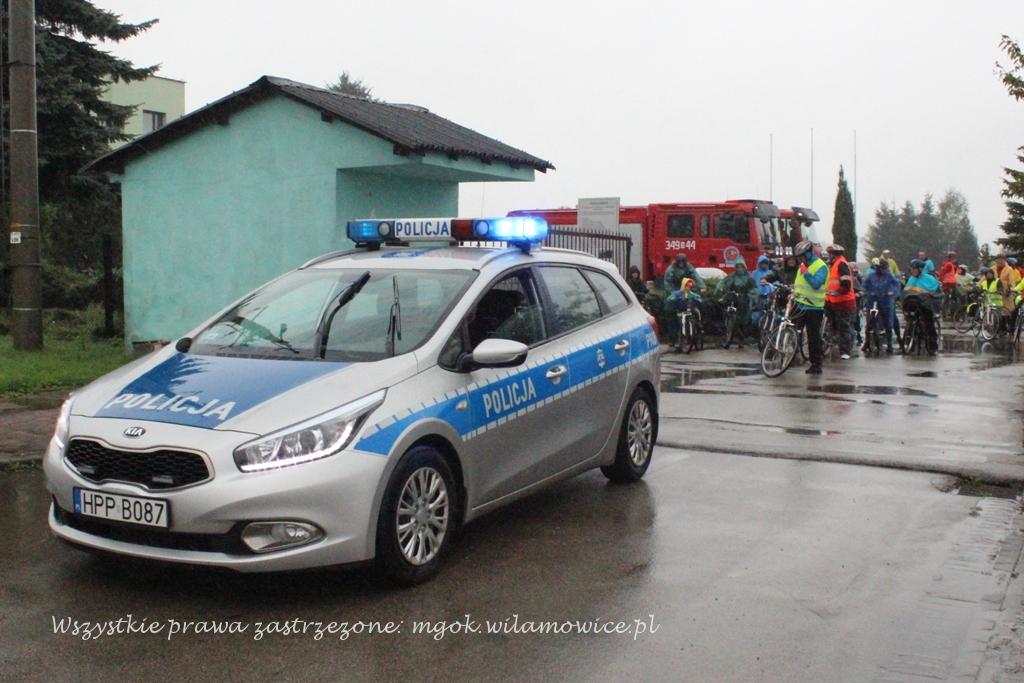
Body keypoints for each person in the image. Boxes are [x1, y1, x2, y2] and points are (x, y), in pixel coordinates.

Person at [792, 239, 828, 374]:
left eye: (801, 256)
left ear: (808, 253)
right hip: (799, 304)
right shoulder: (803, 265)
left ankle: (816, 364)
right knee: (791, 329)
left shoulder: (821, 266)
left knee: (813, 337)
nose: (799, 259)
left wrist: (806, 273)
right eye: (798, 257)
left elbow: (816, 284)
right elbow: (799, 284)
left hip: (814, 307)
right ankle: (790, 355)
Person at [663, 253, 704, 344]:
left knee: (697, 304)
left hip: (686, 289)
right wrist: (673, 293)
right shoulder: (671, 269)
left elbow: (696, 276)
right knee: (670, 312)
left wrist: (701, 286)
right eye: (679, 262)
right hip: (675, 291)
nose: (681, 264)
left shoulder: (689, 267)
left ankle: (697, 327)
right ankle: (672, 337)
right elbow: (667, 283)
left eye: (683, 262)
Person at [862, 258, 901, 353]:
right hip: (873, 302)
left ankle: (890, 344)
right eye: (879, 268)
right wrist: (866, 292)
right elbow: (864, 286)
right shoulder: (871, 276)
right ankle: (867, 342)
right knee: (870, 321)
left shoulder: (889, 276)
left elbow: (896, 285)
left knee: (889, 323)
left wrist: (892, 292)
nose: (881, 270)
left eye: (883, 268)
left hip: (886, 302)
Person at [825, 244, 856, 359]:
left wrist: (839, 291)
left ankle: (845, 351)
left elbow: (846, 283)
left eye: (830, 254)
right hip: (833, 300)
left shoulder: (841, 264)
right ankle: (833, 345)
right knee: (834, 325)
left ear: (834, 255)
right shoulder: (833, 265)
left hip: (844, 301)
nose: (828, 257)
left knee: (844, 327)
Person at [903, 258, 942, 351]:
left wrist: (925, 293)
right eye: (911, 269)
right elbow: (906, 290)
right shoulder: (911, 279)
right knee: (910, 318)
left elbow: (934, 292)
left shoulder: (929, 279)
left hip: (926, 305)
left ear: (920, 269)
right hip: (914, 304)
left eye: (914, 269)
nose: (912, 271)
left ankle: (933, 345)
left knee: (929, 323)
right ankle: (910, 338)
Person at [718, 261, 758, 346]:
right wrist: (720, 289)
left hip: (744, 300)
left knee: (743, 320)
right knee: (726, 312)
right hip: (733, 298)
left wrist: (750, 294)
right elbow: (723, 283)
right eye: (738, 267)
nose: (739, 269)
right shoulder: (731, 276)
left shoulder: (749, 277)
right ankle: (727, 332)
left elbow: (754, 288)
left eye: (741, 267)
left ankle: (741, 338)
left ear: (744, 268)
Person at [996, 253, 1021, 322]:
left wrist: (1010, 289)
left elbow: (1012, 281)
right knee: (998, 309)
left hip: (1006, 292)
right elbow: (985, 278)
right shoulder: (994, 268)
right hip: (996, 293)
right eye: (998, 259)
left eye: (1001, 259)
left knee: (1008, 310)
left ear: (1005, 260)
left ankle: (1008, 324)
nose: (1000, 261)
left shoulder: (1009, 269)